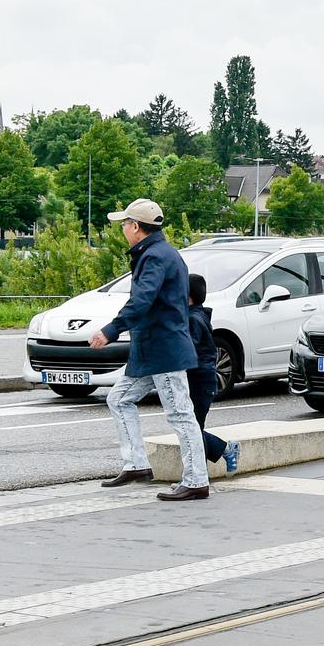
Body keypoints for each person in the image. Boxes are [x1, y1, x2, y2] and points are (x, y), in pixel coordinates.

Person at [93, 199, 210, 500]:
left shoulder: (155, 257)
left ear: (135, 227)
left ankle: (196, 480)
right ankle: (136, 464)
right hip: (152, 349)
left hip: (164, 350)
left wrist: (110, 330)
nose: (122, 228)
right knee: (119, 399)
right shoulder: (159, 253)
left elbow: (142, 300)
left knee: (181, 414)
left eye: (124, 223)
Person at [184, 274, 239, 476]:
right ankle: (201, 472)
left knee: (191, 428)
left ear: (187, 295)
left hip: (199, 381)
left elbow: (189, 349)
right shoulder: (195, 316)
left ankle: (201, 473)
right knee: (191, 427)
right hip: (199, 380)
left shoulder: (193, 319)